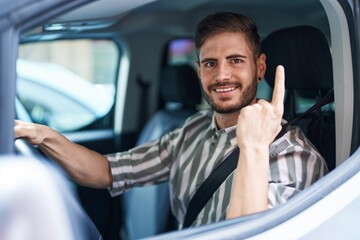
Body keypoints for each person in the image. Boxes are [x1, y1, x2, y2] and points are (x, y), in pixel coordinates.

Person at [14, 12, 327, 228]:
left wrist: (254, 146)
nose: (222, 75)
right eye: (210, 63)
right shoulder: (193, 129)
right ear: (199, 68)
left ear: (260, 68)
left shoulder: (293, 155)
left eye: (236, 61)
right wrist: (41, 135)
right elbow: (106, 171)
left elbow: (250, 232)